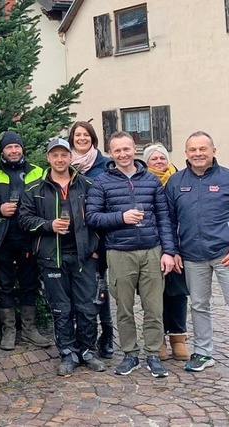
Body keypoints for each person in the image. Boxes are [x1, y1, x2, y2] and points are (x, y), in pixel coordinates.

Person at [86, 131, 176, 378]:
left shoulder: (151, 180)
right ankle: (130, 354)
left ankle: (153, 355)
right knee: (124, 308)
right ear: (111, 153)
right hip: (119, 252)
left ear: (134, 149)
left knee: (153, 308)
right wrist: (121, 218)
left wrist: (168, 251)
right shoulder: (102, 182)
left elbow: (164, 219)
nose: (123, 154)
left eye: (127, 149)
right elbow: (92, 217)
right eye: (118, 150)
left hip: (151, 251)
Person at [19, 138, 105, 376]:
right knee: (61, 309)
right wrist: (48, 225)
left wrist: (96, 247)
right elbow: (24, 220)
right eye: (55, 155)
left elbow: (100, 218)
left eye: (64, 155)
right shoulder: (34, 189)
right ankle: (67, 354)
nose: (59, 159)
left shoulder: (87, 185)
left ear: (70, 157)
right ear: (48, 158)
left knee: (88, 308)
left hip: (83, 257)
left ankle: (87, 351)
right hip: (51, 257)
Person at [165, 131, 229, 372]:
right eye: (193, 150)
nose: (198, 154)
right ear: (186, 154)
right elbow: (168, 220)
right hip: (191, 255)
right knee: (199, 305)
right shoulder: (176, 182)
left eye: (203, 149)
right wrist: (172, 250)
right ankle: (203, 353)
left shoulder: (226, 178)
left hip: (224, 253)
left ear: (213, 150)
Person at [0, 131, 51, 350]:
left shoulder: (38, 172)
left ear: (23, 149)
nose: (13, 151)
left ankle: (30, 329)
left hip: (30, 238)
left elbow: (46, 202)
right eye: (8, 147)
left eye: (17, 147)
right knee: (4, 285)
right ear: (2, 151)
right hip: (3, 238)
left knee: (29, 284)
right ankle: (9, 330)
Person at [68, 121, 114, 359]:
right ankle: (83, 336)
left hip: (98, 237)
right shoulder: (66, 165)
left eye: (86, 135)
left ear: (93, 138)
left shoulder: (104, 165)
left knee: (100, 288)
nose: (82, 138)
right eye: (78, 135)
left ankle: (106, 335)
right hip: (73, 239)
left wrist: (99, 244)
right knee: (80, 290)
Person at [143, 143, 189, 362]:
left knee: (178, 293)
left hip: (179, 246)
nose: (160, 162)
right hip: (152, 245)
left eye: (163, 158)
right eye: (154, 159)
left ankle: (178, 338)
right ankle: (158, 339)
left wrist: (175, 248)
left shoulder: (179, 180)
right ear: (147, 162)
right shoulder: (143, 181)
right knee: (154, 294)